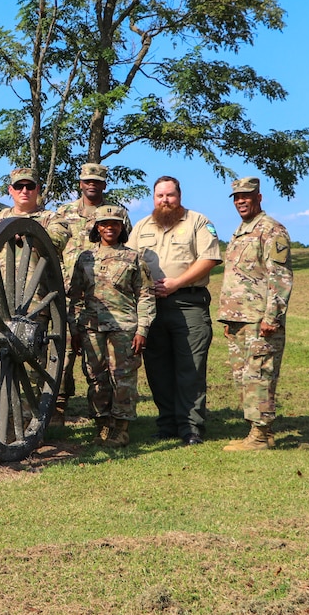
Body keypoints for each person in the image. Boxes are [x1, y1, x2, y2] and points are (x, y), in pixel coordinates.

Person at [131, 175, 221, 445]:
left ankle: (191, 426)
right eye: (160, 196)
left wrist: (177, 283)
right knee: (157, 368)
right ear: (153, 198)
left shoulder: (198, 222)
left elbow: (209, 259)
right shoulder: (142, 226)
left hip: (188, 303)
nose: (165, 200)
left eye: (169, 195)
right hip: (152, 307)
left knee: (190, 368)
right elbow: (128, 261)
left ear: (179, 196)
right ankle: (167, 422)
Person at [67, 205, 155, 447]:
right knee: (96, 377)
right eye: (104, 223)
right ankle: (102, 425)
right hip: (92, 327)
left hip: (124, 328)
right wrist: (74, 329)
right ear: (97, 227)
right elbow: (75, 296)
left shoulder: (133, 258)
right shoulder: (85, 258)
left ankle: (121, 427)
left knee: (123, 377)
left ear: (122, 227)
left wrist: (142, 330)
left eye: (114, 223)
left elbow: (146, 295)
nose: (109, 227)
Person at [218, 177, 293, 451]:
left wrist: (272, 317)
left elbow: (281, 276)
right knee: (243, 378)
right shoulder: (241, 230)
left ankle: (261, 436)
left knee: (259, 375)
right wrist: (229, 317)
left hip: (260, 319)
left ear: (259, 197)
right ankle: (257, 431)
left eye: (246, 196)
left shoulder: (272, 230)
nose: (241, 201)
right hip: (239, 318)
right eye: (237, 197)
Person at [53, 162, 132, 422]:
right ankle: (58, 404)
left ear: (104, 184)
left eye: (97, 181)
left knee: (99, 360)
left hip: (106, 295)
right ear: (80, 183)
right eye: (88, 180)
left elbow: (125, 249)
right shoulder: (63, 212)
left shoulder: (116, 213)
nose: (92, 184)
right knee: (63, 350)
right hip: (67, 291)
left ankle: (105, 414)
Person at [0, 168, 71, 252]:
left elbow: (58, 242)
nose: (24, 191)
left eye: (30, 186)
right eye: (19, 186)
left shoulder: (52, 219)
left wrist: (29, 236)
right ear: (10, 190)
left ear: (37, 189)